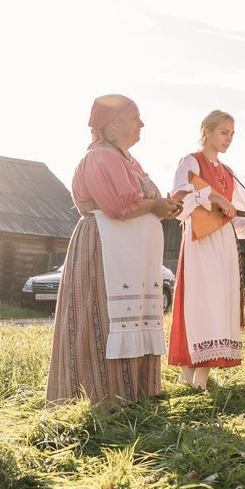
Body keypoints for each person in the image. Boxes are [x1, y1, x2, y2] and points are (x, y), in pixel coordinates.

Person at [46, 95, 182, 407]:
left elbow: (140, 201)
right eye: (135, 118)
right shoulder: (101, 157)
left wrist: (165, 206)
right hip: (106, 248)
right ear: (113, 124)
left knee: (133, 316)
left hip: (133, 252)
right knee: (103, 314)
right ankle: (104, 397)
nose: (142, 124)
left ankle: (135, 393)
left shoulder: (128, 160)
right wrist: (157, 205)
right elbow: (119, 205)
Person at [169, 110, 245, 389]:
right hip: (201, 242)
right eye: (223, 132)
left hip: (225, 243)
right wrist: (212, 196)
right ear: (207, 131)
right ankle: (190, 378)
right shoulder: (190, 161)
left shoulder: (229, 173)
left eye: (232, 134)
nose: (228, 139)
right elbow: (180, 199)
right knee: (201, 302)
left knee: (218, 302)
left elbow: (235, 216)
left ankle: (196, 379)